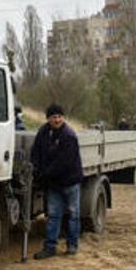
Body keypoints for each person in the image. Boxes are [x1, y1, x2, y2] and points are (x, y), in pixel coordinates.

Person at [31, 104, 83, 259]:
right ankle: (50, 247)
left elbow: (63, 163)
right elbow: (36, 152)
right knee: (53, 216)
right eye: (54, 117)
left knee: (73, 215)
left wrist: (45, 174)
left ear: (63, 117)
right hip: (54, 184)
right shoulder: (43, 132)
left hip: (70, 182)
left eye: (59, 116)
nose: (57, 119)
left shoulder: (69, 136)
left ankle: (72, 245)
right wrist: (37, 169)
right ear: (48, 119)